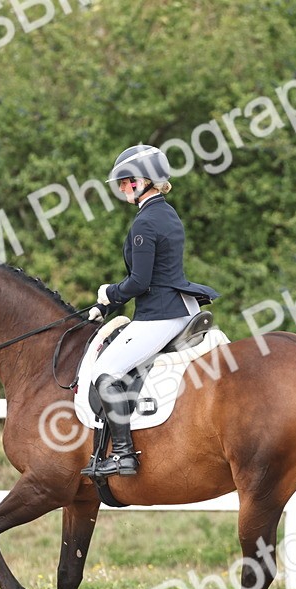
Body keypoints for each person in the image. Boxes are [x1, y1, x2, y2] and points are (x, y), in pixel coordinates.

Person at [81, 144, 220, 478]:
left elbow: (140, 282)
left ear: (145, 181)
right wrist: (108, 306)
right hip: (181, 308)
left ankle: (124, 456)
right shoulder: (167, 214)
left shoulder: (144, 223)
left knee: (106, 373)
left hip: (160, 315)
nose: (121, 188)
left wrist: (109, 292)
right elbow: (157, 276)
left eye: (126, 181)